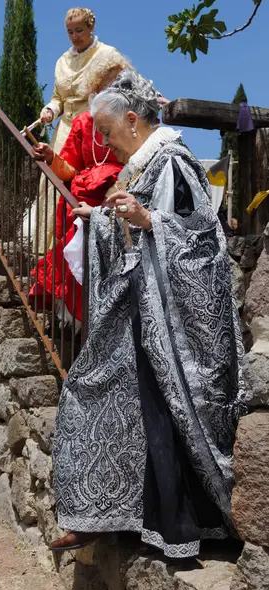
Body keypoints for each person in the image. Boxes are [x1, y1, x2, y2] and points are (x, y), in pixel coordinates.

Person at [50, 70, 248, 558]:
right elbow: (139, 223)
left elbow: (203, 239)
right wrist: (98, 218)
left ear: (133, 121)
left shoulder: (175, 161)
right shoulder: (144, 165)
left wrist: (147, 220)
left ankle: (175, 525)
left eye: (109, 133)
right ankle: (104, 512)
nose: (104, 144)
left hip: (172, 324)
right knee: (101, 394)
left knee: (159, 415)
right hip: (143, 310)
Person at [29, 58, 129, 323]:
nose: (115, 91)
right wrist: (51, 157)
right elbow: (68, 169)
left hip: (114, 198)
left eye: (120, 86)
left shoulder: (132, 121)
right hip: (77, 201)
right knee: (74, 254)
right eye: (109, 86)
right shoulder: (83, 122)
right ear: (96, 89)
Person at [34, 7, 126, 254]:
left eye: (79, 30)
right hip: (66, 128)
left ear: (91, 28)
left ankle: (81, 242)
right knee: (52, 181)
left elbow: (128, 83)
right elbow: (58, 98)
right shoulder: (61, 61)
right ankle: (49, 247)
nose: (74, 36)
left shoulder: (107, 54)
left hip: (96, 127)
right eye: (70, 32)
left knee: (90, 181)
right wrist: (50, 111)